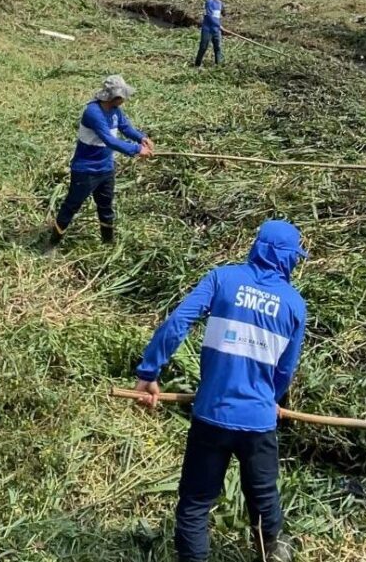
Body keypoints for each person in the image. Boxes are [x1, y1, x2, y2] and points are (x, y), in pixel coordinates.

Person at [133, 220, 308, 562]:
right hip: (258, 423)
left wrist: (149, 371)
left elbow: (177, 324)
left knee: (196, 504)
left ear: (258, 247)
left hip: (211, 416)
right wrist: (270, 399)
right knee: (264, 501)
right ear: (288, 259)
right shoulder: (293, 305)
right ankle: (273, 551)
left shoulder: (222, 280)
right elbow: (285, 370)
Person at [50, 75, 153, 246]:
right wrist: (136, 150)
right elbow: (110, 140)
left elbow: (125, 127)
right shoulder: (93, 112)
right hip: (86, 170)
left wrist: (141, 138)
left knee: (106, 207)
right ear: (115, 97)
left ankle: (108, 243)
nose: (124, 100)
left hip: (106, 168)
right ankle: (52, 244)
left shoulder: (114, 110)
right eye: (123, 97)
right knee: (71, 206)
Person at [195, 0, 225, 68]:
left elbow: (221, 14)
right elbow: (210, 16)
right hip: (207, 28)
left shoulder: (220, 3)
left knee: (217, 47)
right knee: (203, 47)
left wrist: (219, 24)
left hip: (216, 30)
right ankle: (197, 64)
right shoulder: (209, 1)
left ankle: (218, 65)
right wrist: (219, 25)